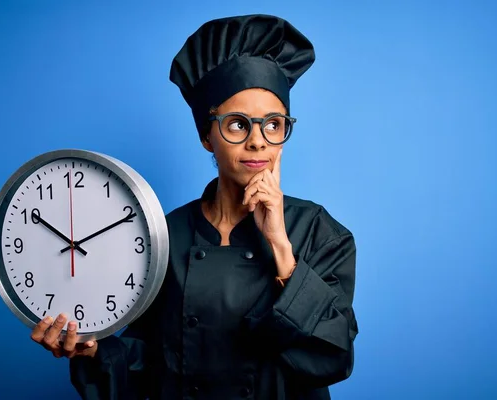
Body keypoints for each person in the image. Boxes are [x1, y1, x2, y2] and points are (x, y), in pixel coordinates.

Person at [30, 14, 358, 399]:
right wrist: (92, 349)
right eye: (237, 124)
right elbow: (146, 361)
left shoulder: (321, 233)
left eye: (273, 124)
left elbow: (333, 355)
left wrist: (281, 247)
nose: (257, 141)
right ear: (206, 135)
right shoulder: (163, 236)